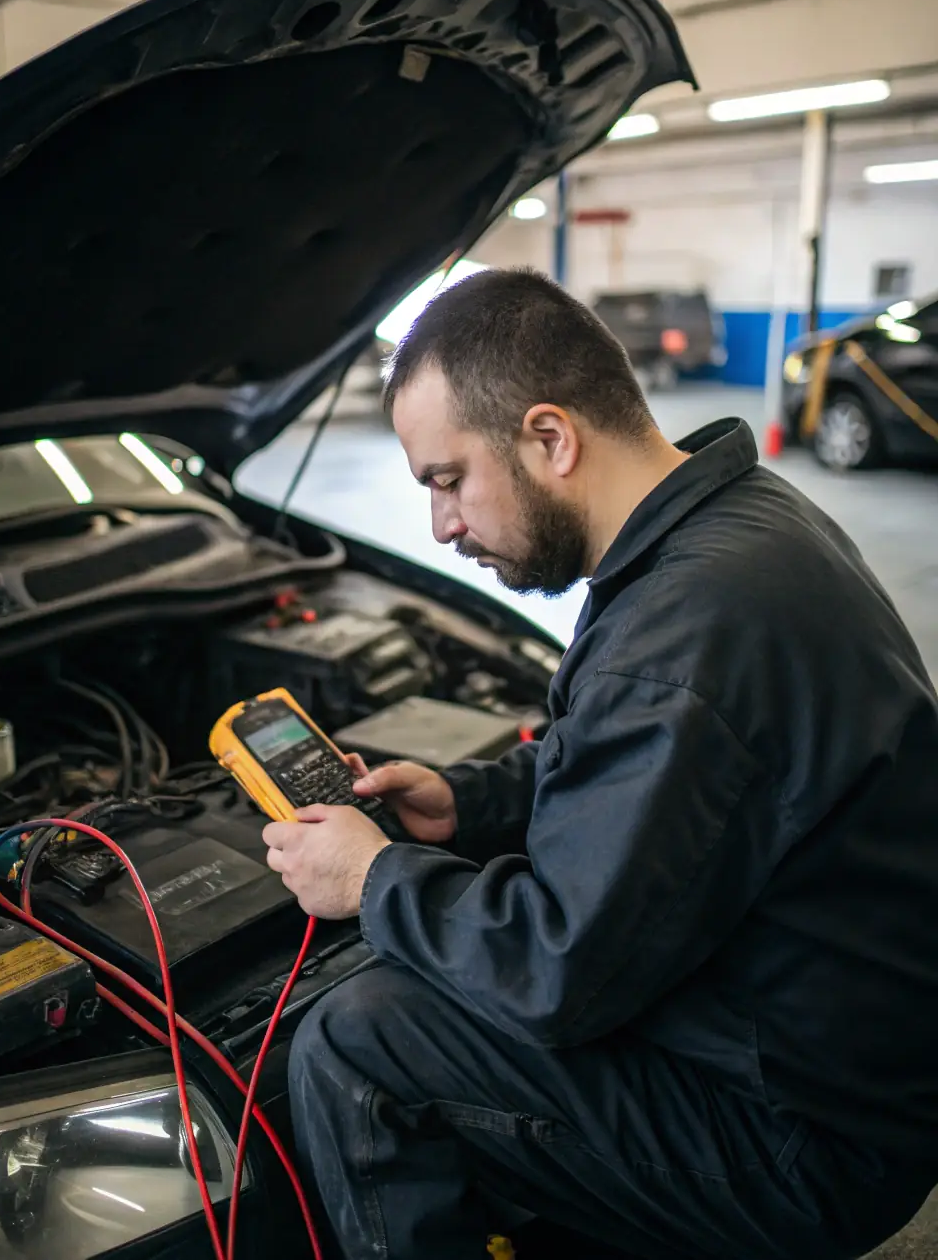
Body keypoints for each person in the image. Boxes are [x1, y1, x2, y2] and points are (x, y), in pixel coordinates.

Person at [261, 268, 938, 1260]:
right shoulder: (741, 527)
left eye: (447, 480)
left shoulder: (679, 637)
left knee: (363, 1037)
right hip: (853, 1062)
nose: (442, 528)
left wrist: (375, 878)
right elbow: (667, 783)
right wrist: (473, 804)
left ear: (548, 437)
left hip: (803, 1140)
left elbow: (554, 975)